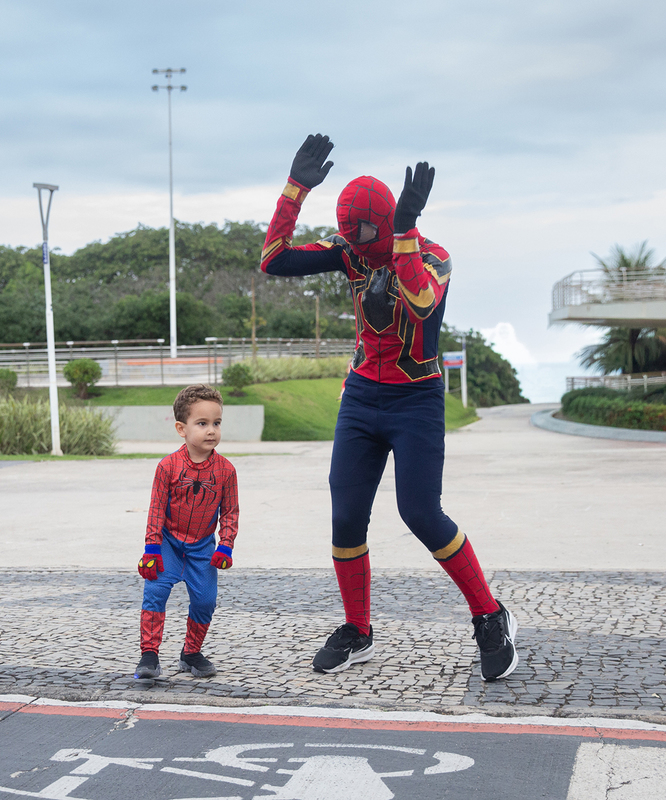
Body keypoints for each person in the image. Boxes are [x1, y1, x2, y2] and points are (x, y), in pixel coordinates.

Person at [259, 133, 518, 682]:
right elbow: (274, 261)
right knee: (346, 515)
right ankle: (358, 629)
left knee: (420, 513)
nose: (351, 242)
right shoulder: (352, 249)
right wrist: (295, 189)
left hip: (416, 397)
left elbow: (423, 305)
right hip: (361, 396)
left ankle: (491, 616)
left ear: (384, 224)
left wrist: (402, 235)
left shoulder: (432, 256)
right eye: (347, 233)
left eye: (361, 232)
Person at [135, 384, 239, 680]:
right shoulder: (167, 467)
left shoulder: (226, 471)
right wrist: (152, 548)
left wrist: (226, 546)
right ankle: (149, 655)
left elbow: (230, 512)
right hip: (168, 543)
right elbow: (155, 509)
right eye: (202, 423)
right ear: (181, 428)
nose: (211, 431)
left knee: (205, 600)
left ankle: (191, 652)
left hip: (203, 547)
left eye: (217, 423)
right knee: (155, 592)